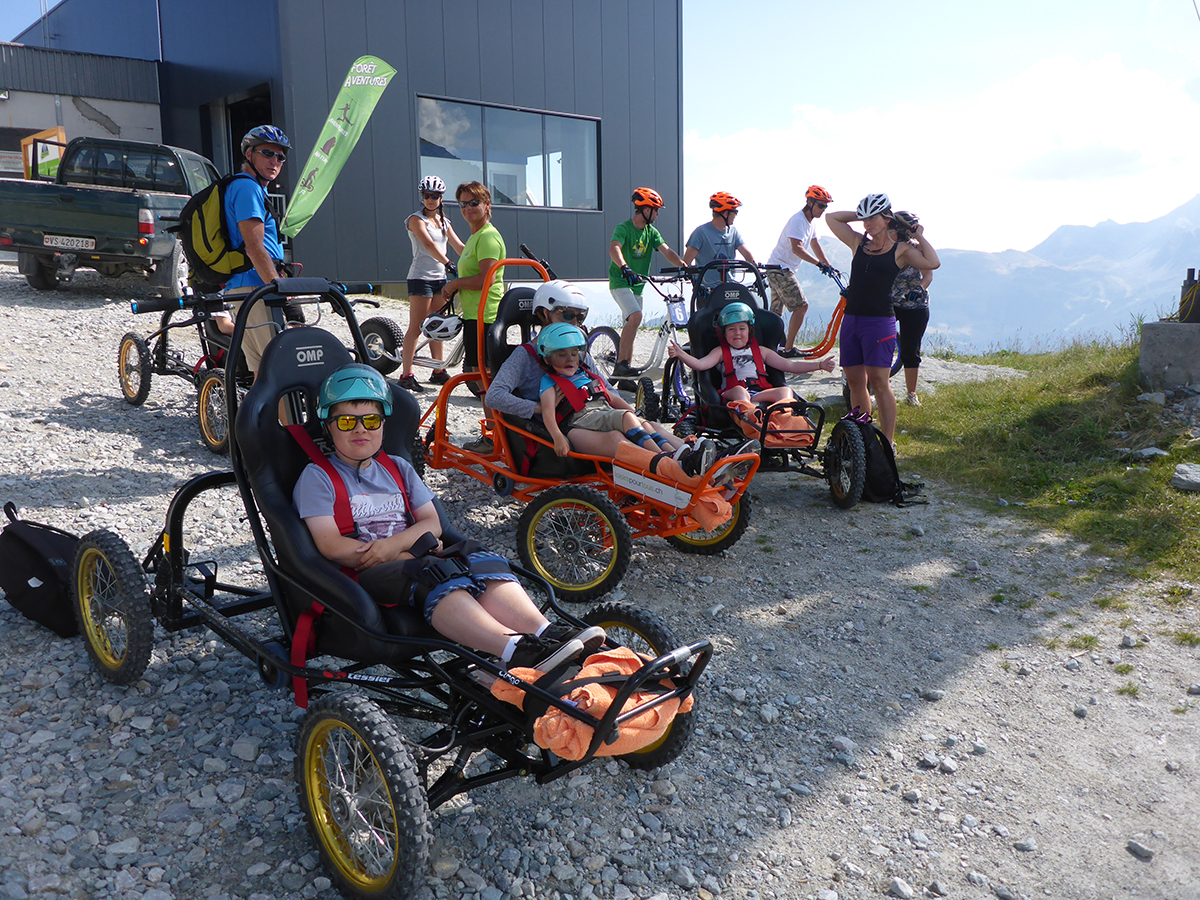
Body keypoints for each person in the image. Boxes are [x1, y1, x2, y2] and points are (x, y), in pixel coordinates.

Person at [293, 363, 604, 671]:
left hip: (409, 554)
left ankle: (545, 632)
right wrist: (397, 552)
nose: (360, 429)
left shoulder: (397, 467)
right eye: (346, 422)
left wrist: (396, 546)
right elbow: (330, 545)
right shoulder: (318, 477)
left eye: (371, 420)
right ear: (328, 427)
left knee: (477, 556)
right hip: (365, 572)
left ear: (383, 425)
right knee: (434, 573)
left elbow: (432, 522)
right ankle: (513, 649)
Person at [485, 280, 717, 462]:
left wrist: (632, 414)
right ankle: (670, 465)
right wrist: (537, 408)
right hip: (563, 425)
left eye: (580, 316)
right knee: (618, 438)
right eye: (567, 315)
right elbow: (494, 395)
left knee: (648, 425)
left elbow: (604, 387)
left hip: (596, 411)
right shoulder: (524, 356)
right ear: (545, 314)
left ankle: (695, 455)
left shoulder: (577, 350)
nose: (574, 322)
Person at [825, 193, 940, 444]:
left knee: (879, 383)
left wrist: (919, 235)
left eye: (873, 218)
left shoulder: (901, 250)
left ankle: (888, 443)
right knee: (855, 382)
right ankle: (862, 438)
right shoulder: (859, 243)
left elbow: (933, 262)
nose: (867, 224)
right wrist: (860, 215)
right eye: (864, 219)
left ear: (887, 218)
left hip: (879, 322)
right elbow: (831, 218)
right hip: (852, 319)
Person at [535, 323, 714, 475]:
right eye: (562, 355)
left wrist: (635, 416)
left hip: (602, 412)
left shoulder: (585, 374)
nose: (570, 359)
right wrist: (557, 437)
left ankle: (690, 452)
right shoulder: (549, 382)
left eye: (574, 354)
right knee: (627, 418)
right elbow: (548, 413)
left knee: (647, 424)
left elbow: (611, 397)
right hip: (581, 419)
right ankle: (666, 457)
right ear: (548, 359)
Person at [216, 126, 293, 375]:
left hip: (249, 286)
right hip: (255, 286)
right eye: (267, 153)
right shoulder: (247, 188)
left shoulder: (254, 188)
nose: (275, 161)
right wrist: (278, 288)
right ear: (249, 154)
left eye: (280, 156)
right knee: (279, 367)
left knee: (263, 371)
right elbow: (254, 247)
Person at [668, 302, 835, 407]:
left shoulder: (762, 351)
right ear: (724, 333)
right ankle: (752, 420)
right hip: (732, 394)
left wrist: (819, 365)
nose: (737, 333)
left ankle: (783, 420)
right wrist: (680, 353)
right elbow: (700, 365)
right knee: (740, 391)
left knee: (785, 391)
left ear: (750, 331)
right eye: (731, 329)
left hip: (759, 392)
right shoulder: (720, 352)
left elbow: (790, 365)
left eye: (742, 328)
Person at [607, 187, 687, 380]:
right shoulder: (624, 228)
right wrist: (625, 267)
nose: (657, 214)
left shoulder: (651, 232)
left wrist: (684, 266)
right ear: (645, 209)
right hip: (620, 281)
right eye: (656, 210)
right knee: (636, 317)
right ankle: (621, 364)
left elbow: (667, 251)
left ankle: (624, 377)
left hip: (638, 284)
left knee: (633, 324)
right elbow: (614, 249)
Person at [401, 175, 464, 392]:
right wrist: (449, 263)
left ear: (441, 198)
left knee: (438, 325)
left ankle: (438, 370)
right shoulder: (416, 220)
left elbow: (459, 246)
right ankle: (406, 375)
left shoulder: (445, 222)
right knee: (416, 327)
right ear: (422, 197)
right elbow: (428, 244)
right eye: (426, 195)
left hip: (440, 279)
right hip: (420, 278)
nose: (430, 199)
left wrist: (476, 260)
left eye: (434, 196)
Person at [442, 181, 505, 396]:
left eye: (473, 202)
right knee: (480, 378)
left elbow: (486, 279)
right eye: (463, 204)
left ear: (487, 204)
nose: (467, 208)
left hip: (485, 315)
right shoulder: (475, 237)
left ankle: (497, 418)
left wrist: (455, 284)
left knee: (486, 378)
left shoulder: (487, 236)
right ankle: (491, 418)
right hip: (474, 314)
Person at [766, 186, 834, 357]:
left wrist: (828, 265)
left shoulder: (811, 223)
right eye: (821, 205)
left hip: (778, 268)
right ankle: (788, 349)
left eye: (825, 206)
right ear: (810, 203)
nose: (823, 209)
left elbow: (815, 244)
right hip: (780, 269)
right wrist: (818, 264)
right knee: (802, 306)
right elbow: (797, 248)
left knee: (775, 313)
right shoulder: (798, 220)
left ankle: (767, 347)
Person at [889, 211, 935, 407]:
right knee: (878, 342)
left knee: (911, 349)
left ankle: (911, 394)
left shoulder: (918, 249)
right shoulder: (886, 249)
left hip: (914, 305)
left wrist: (919, 289)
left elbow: (928, 275)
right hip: (890, 303)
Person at [682, 192, 756, 288]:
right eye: (735, 212)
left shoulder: (733, 232)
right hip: (707, 289)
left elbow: (747, 255)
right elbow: (686, 263)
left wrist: (756, 269)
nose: (736, 216)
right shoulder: (700, 232)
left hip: (730, 288)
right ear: (726, 213)